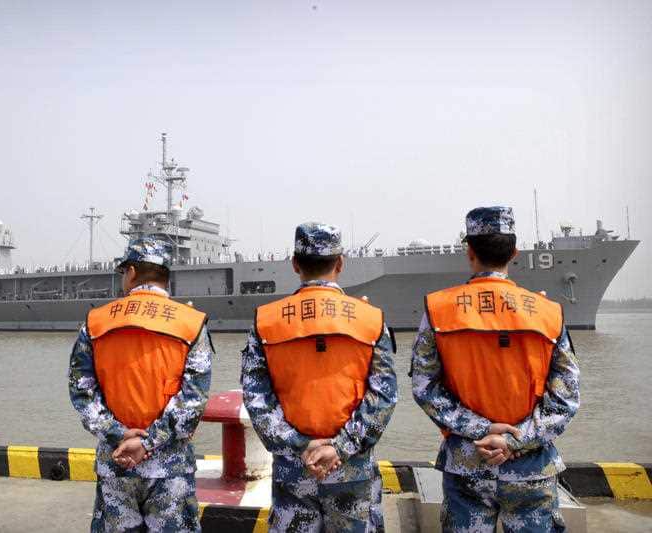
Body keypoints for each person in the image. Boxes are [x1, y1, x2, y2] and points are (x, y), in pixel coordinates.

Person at [411, 206, 580, 532]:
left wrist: (480, 429)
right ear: (515, 252)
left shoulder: (438, 310)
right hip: (531, 466)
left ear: (469, 252)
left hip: (467, 463)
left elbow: (424, 387)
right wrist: (515, 440)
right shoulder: (549, 313)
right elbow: (567, 397)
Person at [241, 222, 398, 532]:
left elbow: (256, 397)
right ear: (340, 263)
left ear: (295, 264)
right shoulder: (371, 319)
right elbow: (384, 396)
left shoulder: (266, 321)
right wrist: (340, 447)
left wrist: (301, 446)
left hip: (295, 469)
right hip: (352, 469)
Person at [68, 237, 214, 532]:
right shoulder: (191, 323)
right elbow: (193, 399)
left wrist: (118, 433)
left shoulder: (95, 323)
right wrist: (148, 442)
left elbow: (81, 389)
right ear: (166, 276)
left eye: (123, 272)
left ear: (131, 273)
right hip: (170, 467)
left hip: (116, 463)